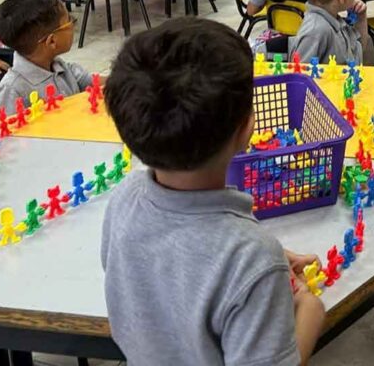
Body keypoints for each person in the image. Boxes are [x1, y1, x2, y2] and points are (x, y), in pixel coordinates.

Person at [101, 19, 325, 365]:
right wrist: (310, 310)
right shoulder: (250, 257)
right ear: (246, 127)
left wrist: (256, 262)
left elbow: (166, 266)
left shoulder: (124, 199)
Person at [0, 0, 94, 122]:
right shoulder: (12, 92)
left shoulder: (58, 66)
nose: (73, 24)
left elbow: (91, 82)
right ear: (52, 41)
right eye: (70, 21)